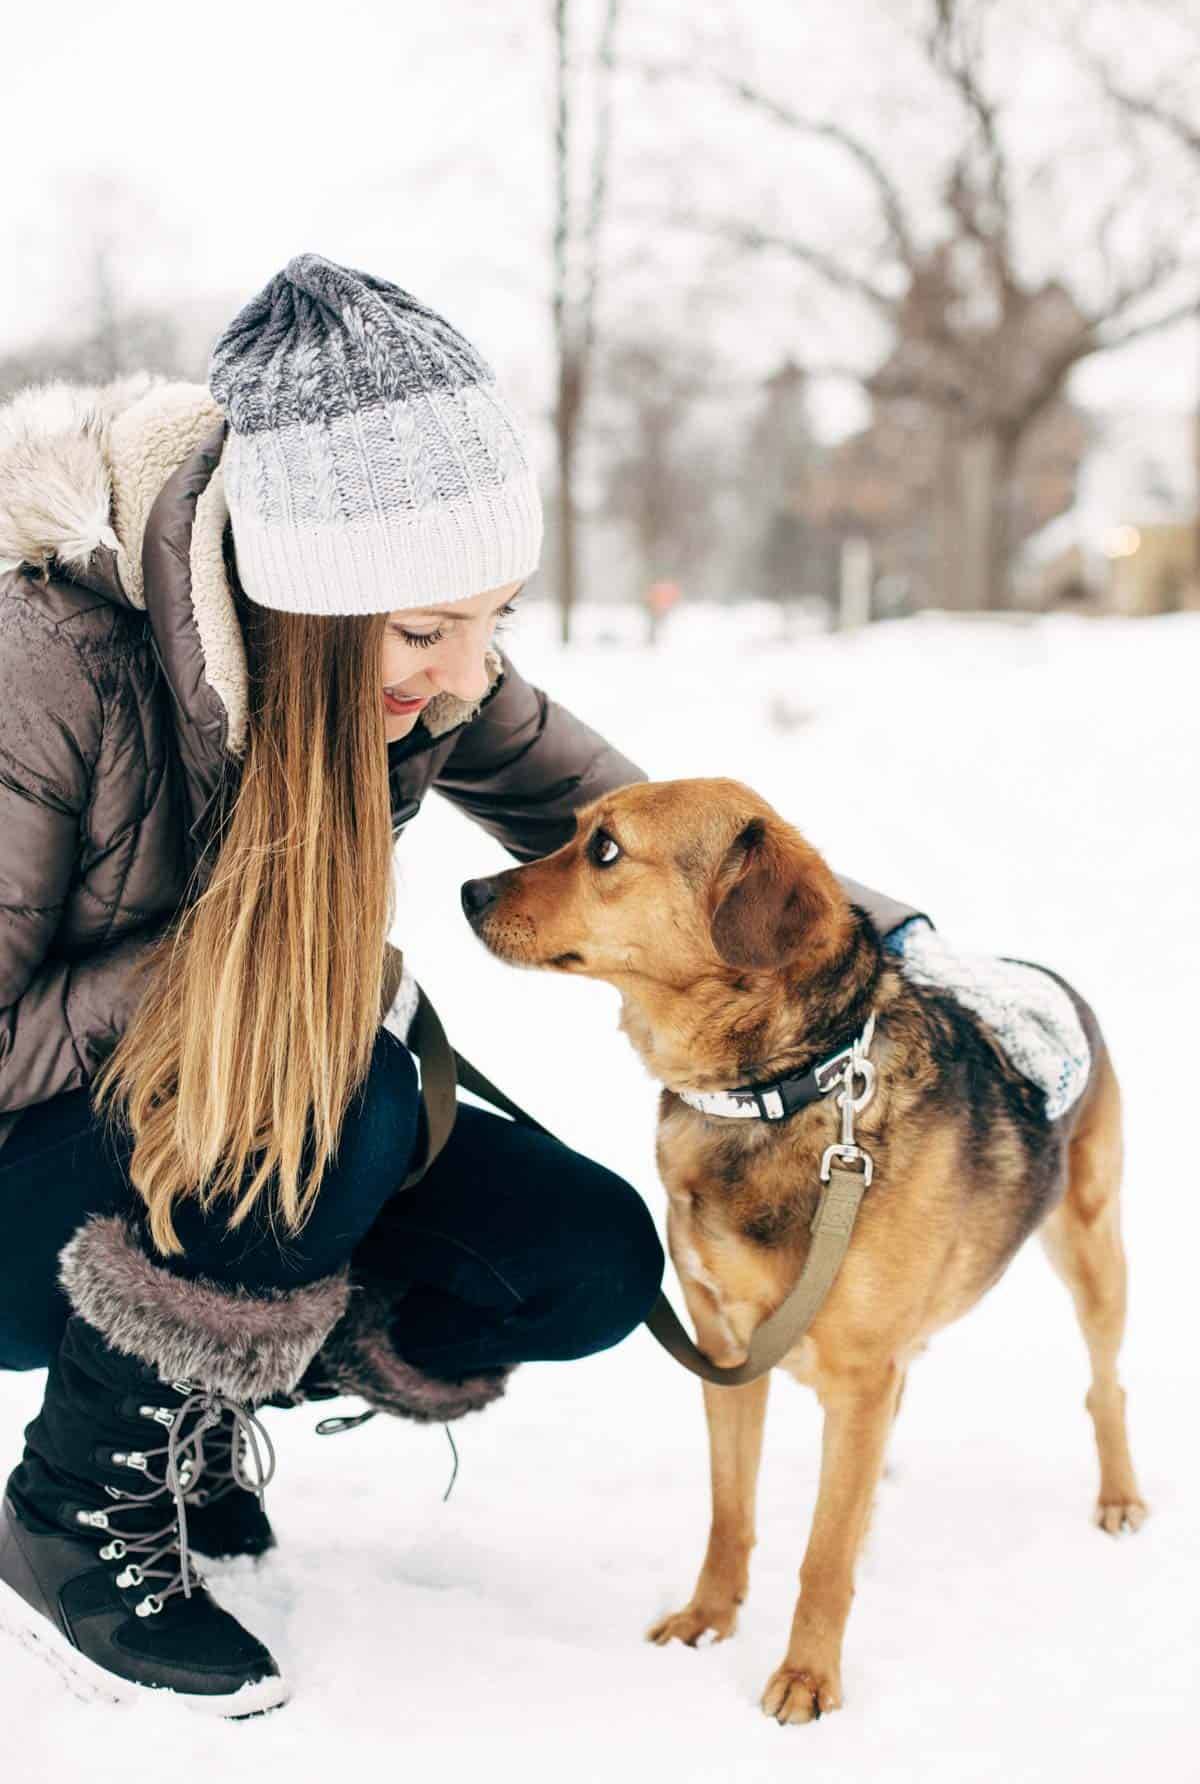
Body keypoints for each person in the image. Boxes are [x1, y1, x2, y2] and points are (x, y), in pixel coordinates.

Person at [0, 254, 918, 1716]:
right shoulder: (48, 665)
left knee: (586, 1254)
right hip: (24, 1183)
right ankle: (74, 1512)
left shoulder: (416, 671)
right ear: (296, 593)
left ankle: (196, 1388)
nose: (465, 672)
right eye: (428, 632)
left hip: (229, 1134)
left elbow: (640, 818)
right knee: (334, 1090)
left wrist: (885, 941)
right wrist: (210, 976)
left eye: (491, 620)